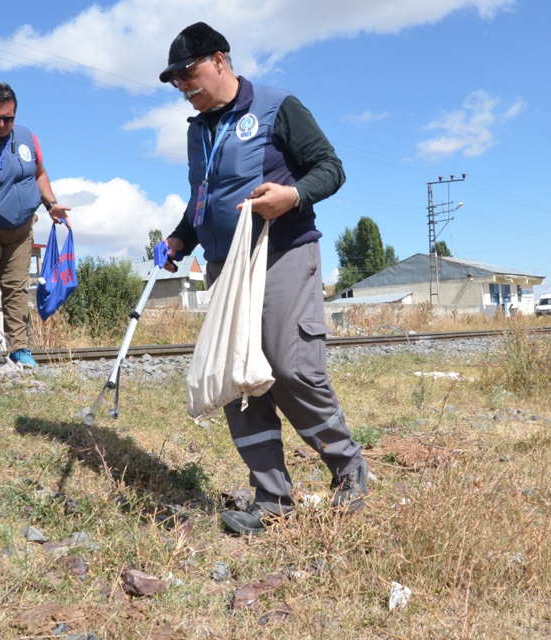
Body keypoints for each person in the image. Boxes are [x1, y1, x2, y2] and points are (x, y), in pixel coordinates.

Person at [158, 22, 367, 535]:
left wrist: (292, 197)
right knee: (237, 379)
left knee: (290, 365)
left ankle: (349, 471)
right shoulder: (197, 130)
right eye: (175, 82)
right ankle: (272, 500)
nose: (184, 86)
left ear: (220, 60)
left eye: (189, 74)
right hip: (225, 265)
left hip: (282, 252)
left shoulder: (277, 106)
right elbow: (203, 195)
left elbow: (330, 167)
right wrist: (182, 236)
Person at [0, 82, 70, 367]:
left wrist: (51, 203)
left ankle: (19, 347)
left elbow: (39, 173)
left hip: (21, 231)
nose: (2, 124)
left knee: (17, 288)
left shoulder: (27, 138)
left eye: (8, 118)